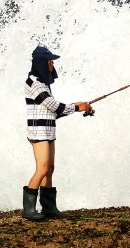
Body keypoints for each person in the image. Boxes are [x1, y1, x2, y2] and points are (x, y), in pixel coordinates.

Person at [22, 46, 90, 221]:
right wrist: (76, 107)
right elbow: (52, 105)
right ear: (41, 62)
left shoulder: (44, 83)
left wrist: (79, 106)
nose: (52, 64)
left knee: (50, 169)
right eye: (50, 61)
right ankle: (28, 209)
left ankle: (49, 208)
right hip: (38, 132)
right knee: (42, 168)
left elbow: (52, 111)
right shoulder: (33, 83)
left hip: (48, 130)